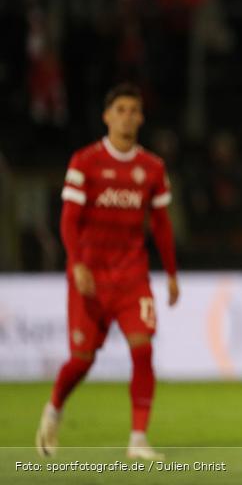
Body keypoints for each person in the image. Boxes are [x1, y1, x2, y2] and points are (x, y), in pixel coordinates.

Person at [36, 84, 179, 460]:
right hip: (90, 277)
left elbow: (161, 225)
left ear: (142, 118)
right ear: (107, 116)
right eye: (121, 109)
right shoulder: (85, 162)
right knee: (82, 359)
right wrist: (77, 263)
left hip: (132, 277)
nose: (128, 116)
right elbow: (68, 220)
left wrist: (173, 273)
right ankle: (53, 410)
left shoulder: (152, 168)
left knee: (142, 349)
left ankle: (138, 440)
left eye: (134, 110)